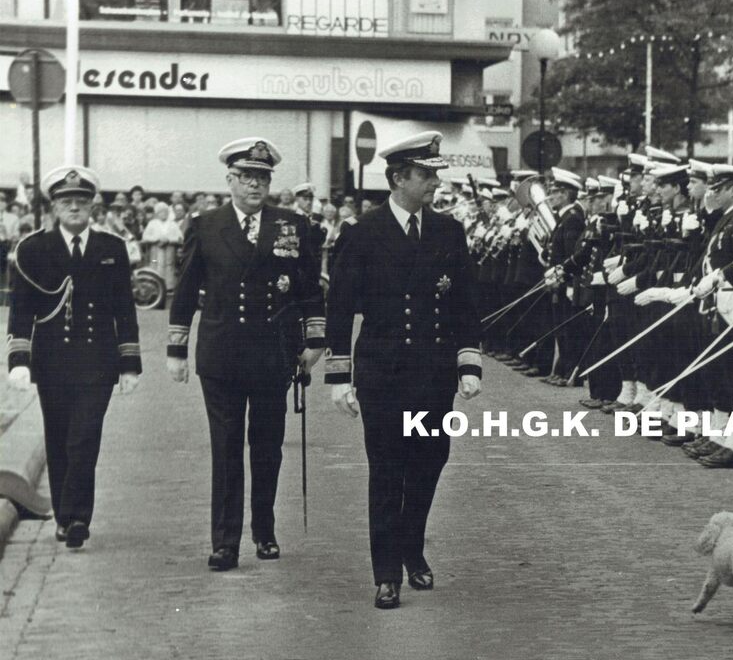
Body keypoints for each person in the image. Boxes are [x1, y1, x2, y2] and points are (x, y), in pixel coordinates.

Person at [325, 130, 483, 610]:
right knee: (387, 469)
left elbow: (465, 303)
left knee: (430, 462)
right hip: (383, 373)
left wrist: (469, 363)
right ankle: (387, 572)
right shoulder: (362, 233)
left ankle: (412, 545)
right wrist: (339, 376)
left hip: (433, 375)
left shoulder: (449, 231)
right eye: (425, 175)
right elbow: (340, 308)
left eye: (435, 174)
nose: (435, 183)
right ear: (398, 179)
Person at [167, 137, 326, 571]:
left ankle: (264, 529)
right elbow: (185, 289)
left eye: (262, 178)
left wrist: (314, 340)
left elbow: (309, 287)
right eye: (247, 177)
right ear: (230, 180)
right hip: (221, 354)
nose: (255, 185)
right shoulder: (205, 225)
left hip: (273, 353)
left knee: (268, 447)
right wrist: (176, 349)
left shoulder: (292, 225)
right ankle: (225, 542)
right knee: (225, 449)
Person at [4, 165, 142, 548]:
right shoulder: (33, 249)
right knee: (59, 437)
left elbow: (124, 308)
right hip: (52, 362)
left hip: (98, 362)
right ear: (54, 207)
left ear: (93, 206)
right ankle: (66, 519)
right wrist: (18, 360)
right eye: (67, 202)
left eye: (82, 201)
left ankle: (77, 517)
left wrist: (129, 364)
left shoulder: (111, 248)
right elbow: (21, 309)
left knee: (84, 437)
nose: (75, 207)